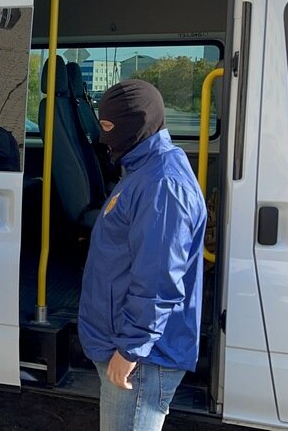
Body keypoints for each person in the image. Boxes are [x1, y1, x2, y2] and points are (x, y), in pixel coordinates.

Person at [78, 79, 206, 431]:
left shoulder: (162, 184)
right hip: (133, 348)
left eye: (108, 126)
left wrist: (131, 349)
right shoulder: (145, 170)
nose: (103, 137)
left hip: (142, 359)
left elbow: (158, 279)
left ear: (135, 124)